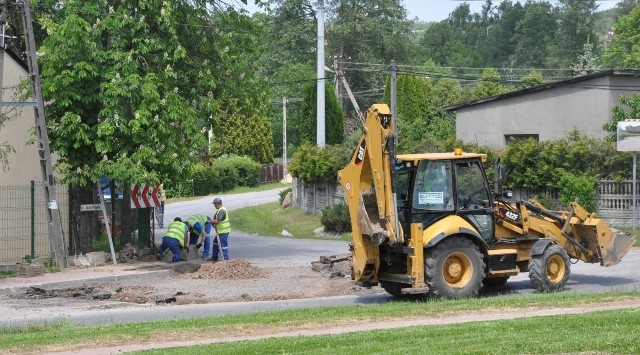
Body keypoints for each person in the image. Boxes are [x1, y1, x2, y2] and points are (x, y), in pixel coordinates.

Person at [210, 197, 230, 261]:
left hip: (223, 231)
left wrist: (210, 221)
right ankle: (215, 258)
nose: (214, 206)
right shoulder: (219, 210)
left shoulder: (222, 210)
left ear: (217, 204)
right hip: (220, 231)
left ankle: (225, 259)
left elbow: (217, 221)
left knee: (223, 245)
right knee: (215, 243)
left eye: (214, 204)